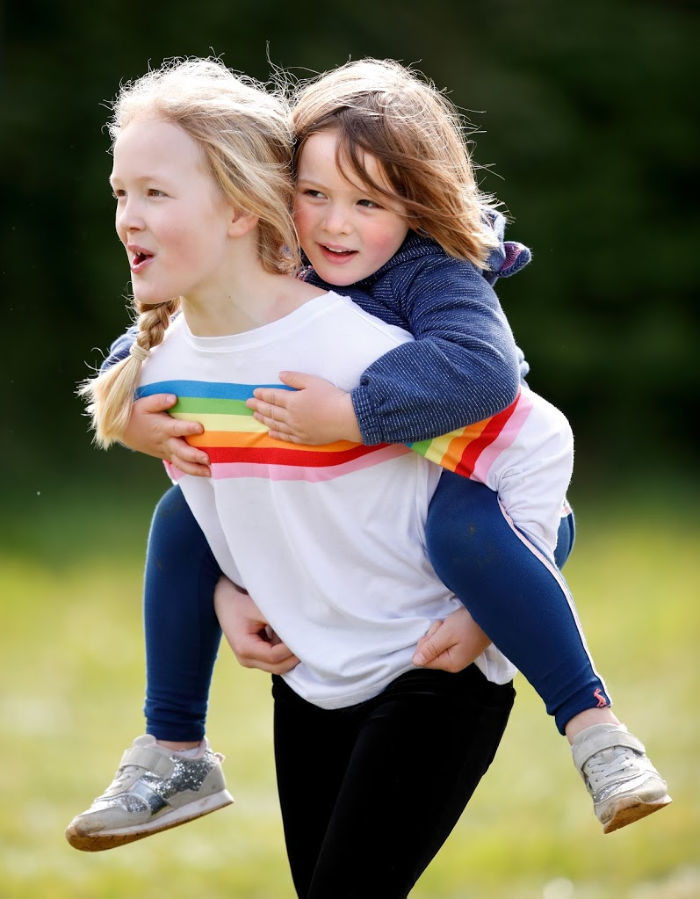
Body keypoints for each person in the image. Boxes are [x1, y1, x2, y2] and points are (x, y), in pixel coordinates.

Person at [69, 56, 670, 853]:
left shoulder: (435, 270)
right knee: (179, 517)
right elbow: (177, 331)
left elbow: (488, 382)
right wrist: (130, 403)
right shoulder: (290, 266)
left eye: (367, 202)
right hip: (329, 646)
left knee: (465, 532)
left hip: (488, 475)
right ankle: (173, 744)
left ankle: (594, 726)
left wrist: (352, 414)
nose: (334, 224)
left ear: (414, 207)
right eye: (313, 195)